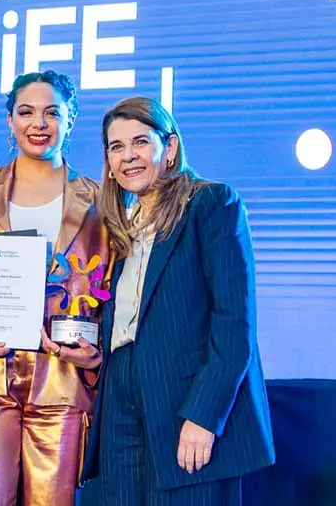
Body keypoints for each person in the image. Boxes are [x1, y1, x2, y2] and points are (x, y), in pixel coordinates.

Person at [80, 96, 275, 505]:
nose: (128, 156)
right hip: (120, 393)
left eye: (140, 142)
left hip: (185, 396)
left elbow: (234, 322)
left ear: (169, 149)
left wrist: (204, 414)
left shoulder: (211, 203)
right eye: (116, 147)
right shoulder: (118, 225)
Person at [0, 70, 110, 506]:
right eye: (26, 112)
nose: (39, 123)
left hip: (63, 379)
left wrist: (97, 351)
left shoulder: (99, 203)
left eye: (53, 113)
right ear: (10, 121)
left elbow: (111, 293)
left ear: (70, 121)